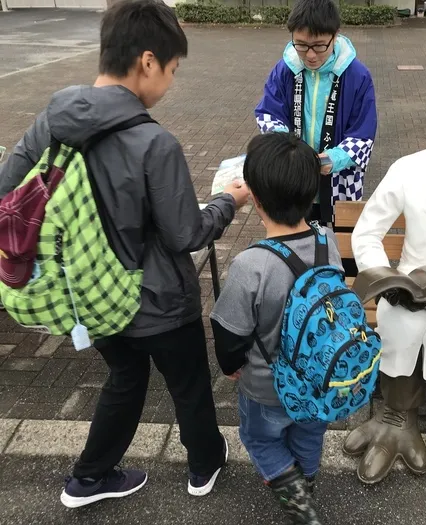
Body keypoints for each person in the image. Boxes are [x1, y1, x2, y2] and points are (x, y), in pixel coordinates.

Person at [0, 0, 249, 508]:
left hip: (90, 294)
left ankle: (87, 479)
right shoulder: (154, 143)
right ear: (149, 61)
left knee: (125, 377)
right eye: (173, 70)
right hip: (159, 301)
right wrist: (229, 200)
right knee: (188, 385)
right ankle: (204, 464)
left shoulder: (51, 120)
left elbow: (9, 189)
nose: (171, 83)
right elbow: (185, 235)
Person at [211, 132, 343, 525]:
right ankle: (306, 479)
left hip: (267, 386)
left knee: (260, 438)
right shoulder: (327, 242)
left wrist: (231, 365)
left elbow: (230, 334)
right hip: (319, 375)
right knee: (308, 433)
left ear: (255, 197)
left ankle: (298, 499)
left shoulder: (251, 265)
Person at [254, 0, 377, 275]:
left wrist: (327, 160)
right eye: (301, 45)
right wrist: (293, 154)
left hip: (339, 179)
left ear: (336, 35)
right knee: (294, 252)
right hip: (295, 179)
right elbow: (268, 114)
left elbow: (363, 135)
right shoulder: (285, 69)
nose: (310, 55)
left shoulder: (357, 76)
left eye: (319, 45)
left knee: (346, 250)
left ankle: (344, 301)